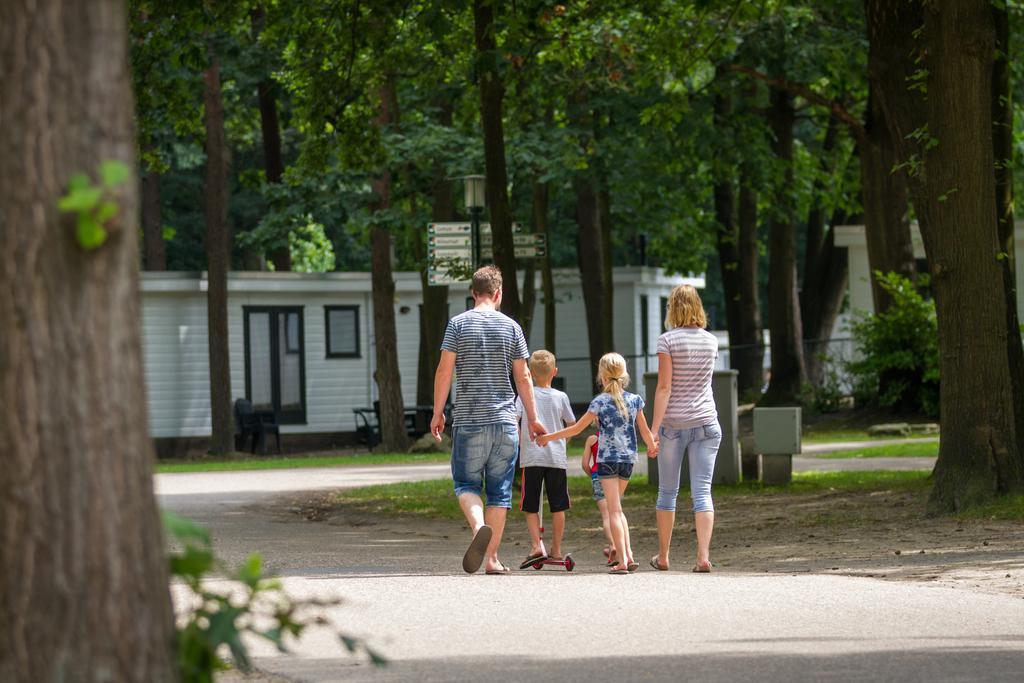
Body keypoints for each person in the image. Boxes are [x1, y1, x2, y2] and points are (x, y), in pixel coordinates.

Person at [431, 265, 546, 575]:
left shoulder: (457, 324)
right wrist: (533, 419)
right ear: (498, 293)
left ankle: (478, 525)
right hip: (506, 421)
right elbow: (523, 376)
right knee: (500, 492)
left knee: (466, 484)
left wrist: (437, 411)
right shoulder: (512, 327)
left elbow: (445, 371)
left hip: (470, 419)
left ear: (473, 294)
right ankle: (492, 559)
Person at [538, 353, 657, 574]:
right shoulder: (635, 400)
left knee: (613, 511)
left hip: (607, 461)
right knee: (618, 510)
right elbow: (646, 432)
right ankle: (628, 556)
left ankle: (622, 561)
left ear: (602, 376)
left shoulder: (600, 402)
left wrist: (548, 437)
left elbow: (576, 429)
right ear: (624, 375)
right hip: (628, 460)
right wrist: (651, 447)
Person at [649, 284, 722, 573]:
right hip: (706, 421)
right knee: (702, 491)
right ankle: (703, 556)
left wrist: (654, 429)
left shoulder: (667, 341)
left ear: (673, 308)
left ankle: (664, 556)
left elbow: (664, 387)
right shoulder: (711, 341)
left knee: (668, 492)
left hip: (674, 426)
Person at [515, 350, 575, 568]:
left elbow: (515, 420)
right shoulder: (561, 397)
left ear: (529, 373)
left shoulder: (524, 396)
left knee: (531, 505)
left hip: (531, 458)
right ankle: (556, 549)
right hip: (556, 458)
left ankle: (535, 545)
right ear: (555, 372)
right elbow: (571, 424)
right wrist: (561, 444)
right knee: (558, 505)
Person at [581, 433, 616, 563]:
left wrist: (594, 476)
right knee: (616, 513)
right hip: (614, 476)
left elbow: (585, 464)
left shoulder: (592, 439)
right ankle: (620, 547)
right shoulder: (616, 436)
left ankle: (612, 545)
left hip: (598, 476)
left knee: (606, 516)